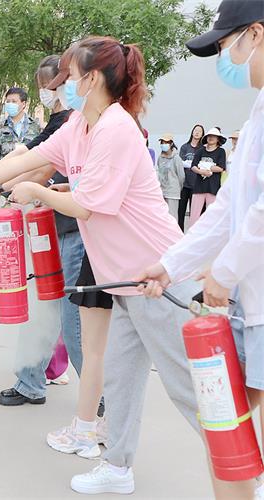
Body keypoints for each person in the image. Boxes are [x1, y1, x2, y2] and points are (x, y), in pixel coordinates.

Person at [0, 35, 221, 496]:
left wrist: (37, 192)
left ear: (92, 79)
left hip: (159, 279)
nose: (64, 87)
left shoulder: (117, 129)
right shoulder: (80, 125)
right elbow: (30, 158)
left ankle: (244, 470)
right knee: (121, 380)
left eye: (71, 77)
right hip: (123, 281)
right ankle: (117, 467)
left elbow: (88, 207)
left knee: (189, 388)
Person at [138, 3, 264, 497]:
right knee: (224, 429)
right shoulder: (256, 114)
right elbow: (230, 208)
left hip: (255, 301)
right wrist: (171, 266)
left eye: (226, 45)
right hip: (250, 307)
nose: (225, 59)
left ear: (256, 34)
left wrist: (223, 273)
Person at [0, 54, 89, 416]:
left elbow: (42, 170)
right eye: (43, 85)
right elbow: (25, 160)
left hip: (74, 230)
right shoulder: (58, 122)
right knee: (41, 309)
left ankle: (101, 399)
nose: (47, 91)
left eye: (52, 84)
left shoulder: (77, 122)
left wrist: (1, 188)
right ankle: (29, 382)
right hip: (49, 227)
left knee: (73, 323)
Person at [189, 127, 227, 227]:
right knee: (194, 215)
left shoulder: (221, 151)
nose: (211, 138)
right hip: (199, 187)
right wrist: (200, 171)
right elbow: (193, 166)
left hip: (213, 188)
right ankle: (192, 234)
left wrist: (206, 166)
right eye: (209, 136)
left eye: (214, 136)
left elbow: (221, 168)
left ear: (218, 139)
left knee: (212, 216)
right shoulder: (200, 151)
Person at [0, 87, 41, 162]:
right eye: (8, 101)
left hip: (30, 168)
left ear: (23, 104)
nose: (10, 104)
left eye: (14, 101)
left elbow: (40, 152)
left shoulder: (35, 126)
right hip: (7, 168)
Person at [178, 124, 205, 230]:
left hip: (196, 185)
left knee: (194, 213)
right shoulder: (185, 147)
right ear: (192, 132)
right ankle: (179, 233)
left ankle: (192, 234)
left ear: (202, 134)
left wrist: (189, 164)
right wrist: (193, 165)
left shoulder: (202, 149)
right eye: (195, 130)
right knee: (181, 211)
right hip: (184, 184)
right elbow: (180, 163)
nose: (197, 132)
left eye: (200, 131)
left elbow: (201, 164)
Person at [156, 133, 185, 219]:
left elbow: (181, 176)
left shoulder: (176, 158)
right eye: (162, 142)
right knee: (162, 216)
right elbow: (159, 172)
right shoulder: (160, 158)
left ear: (171, 143)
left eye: (166, 142)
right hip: (162, 191)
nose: (163, 144)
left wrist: (178, 188)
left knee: (172, 216)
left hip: (173, 192)